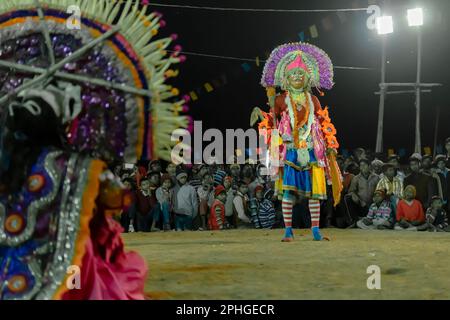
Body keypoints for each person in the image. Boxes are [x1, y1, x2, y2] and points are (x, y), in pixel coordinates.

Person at [253, 42, 343, 241]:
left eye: (300, 74)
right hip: (290, 152)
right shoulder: (280, 100)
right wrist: (261, 115)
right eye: (293, 74)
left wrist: (330, 146)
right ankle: (288, 231)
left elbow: (324, 122)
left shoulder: (314, 100)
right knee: (288, 193)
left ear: (307, 78)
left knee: (314, 194)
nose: (297, 77)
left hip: (312, 151)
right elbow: (271, 120)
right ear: (286, 78)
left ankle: (316, 230)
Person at [344, 159, 380, 225]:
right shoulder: (356, 178)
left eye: (364, 165)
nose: (362, 167)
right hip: (362, 205)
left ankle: (367, 220)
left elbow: (380, 191)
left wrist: (376, 201)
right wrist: (355, 196)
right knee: (348, 198)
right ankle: (354, 221)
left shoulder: (376, 177)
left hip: (373, 205)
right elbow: (351, 191)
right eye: (361, 165)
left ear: (369, 166)